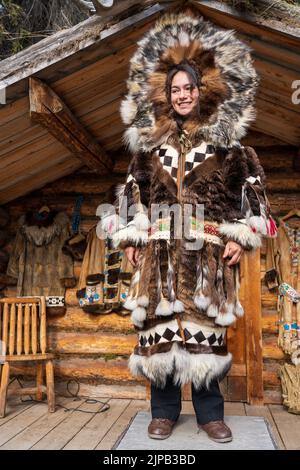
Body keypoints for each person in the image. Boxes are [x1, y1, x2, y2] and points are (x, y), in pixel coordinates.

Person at [100, 12, 277, 443]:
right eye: (175, 90)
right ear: (168, 96)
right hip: (159, 257)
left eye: (188, 89)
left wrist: (240, 238)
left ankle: (209, 416)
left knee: (205, 334)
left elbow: (253, 196)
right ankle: (162, 413)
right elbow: (130, 191)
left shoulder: (227, 144)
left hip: (206, 259)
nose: (182, 96)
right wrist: (130, 238)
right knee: (159, 334)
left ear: (200, 93)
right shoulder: (149, 147)